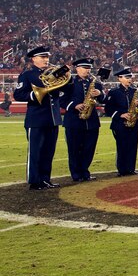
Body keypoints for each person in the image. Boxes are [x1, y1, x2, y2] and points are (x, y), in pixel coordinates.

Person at [14, 46, 62, 190]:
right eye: (42, 57)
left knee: (48, 151)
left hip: (52, 118)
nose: (46, 60)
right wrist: (34, 95)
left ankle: (45, 179)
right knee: (35, 152)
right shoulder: (28, 75)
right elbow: (18, 95)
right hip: (36, 119)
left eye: (47, 57)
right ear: (33, 59)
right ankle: (34, 181)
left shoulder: (53, 73)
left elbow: (65, 89)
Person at [57, 57, 104, 182]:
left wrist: (100, 93)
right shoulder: (69, 82)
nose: (87, 70)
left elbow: (103, 99)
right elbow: (61, 100)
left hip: (91, 121)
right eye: (84, 68)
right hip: (74, 121)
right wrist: (74, 106)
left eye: (89, 68)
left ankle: (85, 171)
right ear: (77, 68)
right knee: (74, 148)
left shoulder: (95, 83)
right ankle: (76, 174)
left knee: (89, 148)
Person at [104, 68, 138, 176]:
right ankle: (122, 170)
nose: (129, 80)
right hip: (119, 124)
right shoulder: (114, 92)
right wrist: (120, 115)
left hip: (134, 123)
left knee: (133, 146)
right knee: (122, 146)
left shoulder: (134, 91)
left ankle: (131, 168)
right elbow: (108, 109)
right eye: (127, 77)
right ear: (119, 78)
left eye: (130, 77)